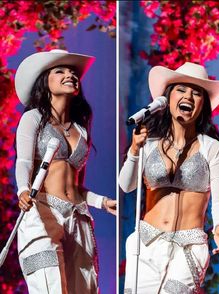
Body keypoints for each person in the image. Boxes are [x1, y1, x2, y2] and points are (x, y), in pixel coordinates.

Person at [119, 62, 219, 293]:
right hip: (147, 243)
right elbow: (126, 185)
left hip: (189, 246)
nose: (188, 95)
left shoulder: (212, 148)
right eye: (181, 89)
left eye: (196, 92)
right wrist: (133, 150)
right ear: (168, 99)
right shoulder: (147, 145)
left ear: (203, 105)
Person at [15, 49, 116, 294]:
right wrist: (23, 190)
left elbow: (77, 187)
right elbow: (24, 162)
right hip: (42, 211)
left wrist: (102, 202)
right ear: (44, 81)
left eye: (73, 72)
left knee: (84, 289)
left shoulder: (81, 131)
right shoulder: (33, 118)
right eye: (60, 71)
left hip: (78, 218)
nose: (70, 75)